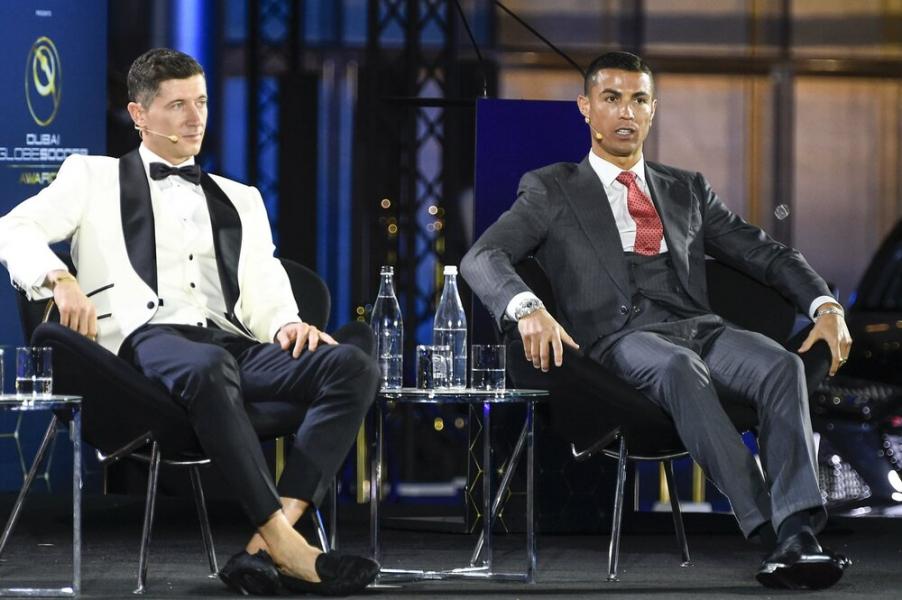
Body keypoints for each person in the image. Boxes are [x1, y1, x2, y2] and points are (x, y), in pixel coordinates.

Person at [461, 51, 852, 590]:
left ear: (653, 110)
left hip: (701, 328)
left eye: (638, 100)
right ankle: (774, 530)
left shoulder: (686, 188)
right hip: (620, 340)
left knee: (782, 366)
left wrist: (826, 307)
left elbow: (767, 254)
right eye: (612, 98)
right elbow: (482, 256)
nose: (626, 112)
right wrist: (527, 308)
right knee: (679, 368)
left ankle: (797, 531)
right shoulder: (552, 188)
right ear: (586, 108)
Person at [0, 48, 379, 596]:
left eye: (200, 102)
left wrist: (286, 324)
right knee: (206, 366)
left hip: (230, 343)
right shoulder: (92, 177)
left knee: (352, 366)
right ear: (139, 114)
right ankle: (290, 547)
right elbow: (13, 228)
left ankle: (266, 545)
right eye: (177, 105)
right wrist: (59, 278)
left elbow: (264, 282)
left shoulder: (241, 198)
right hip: (146, 344)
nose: (195, 117)